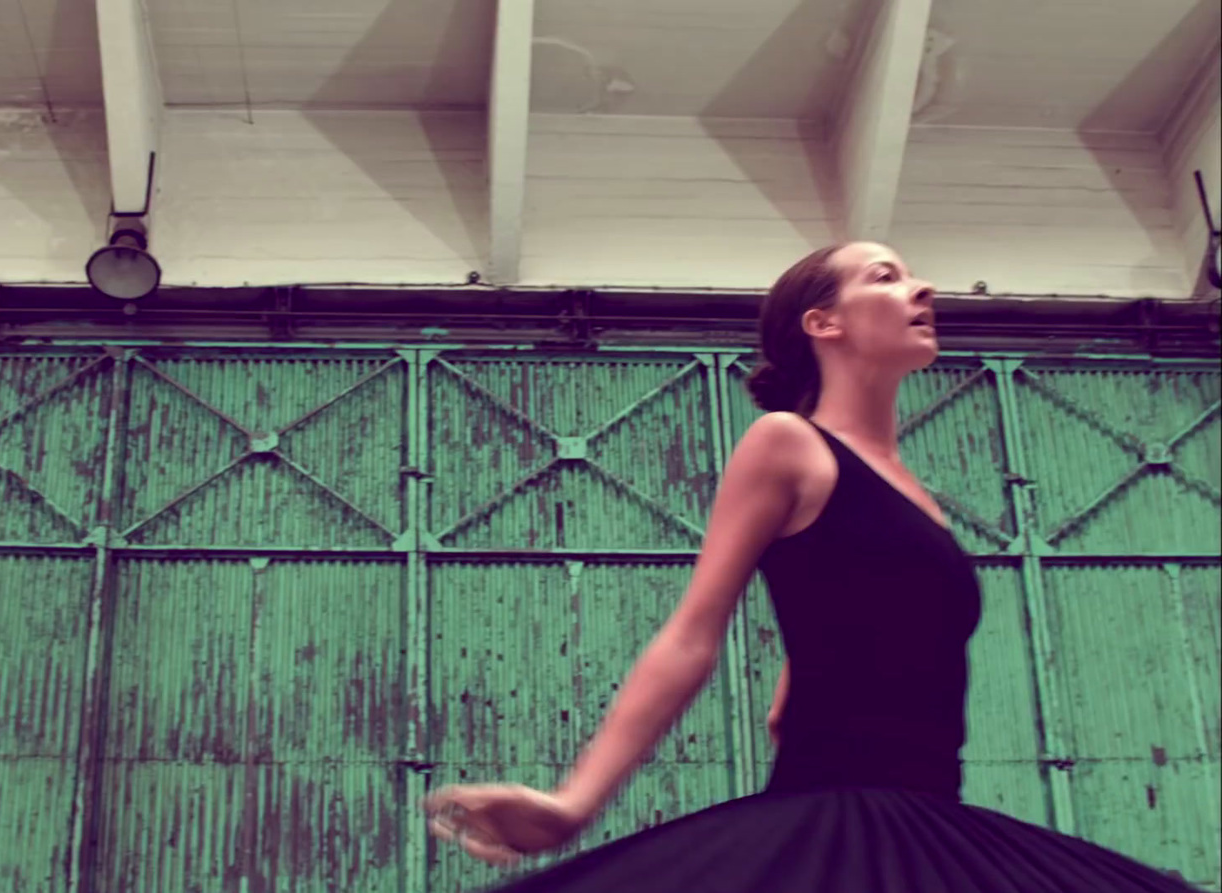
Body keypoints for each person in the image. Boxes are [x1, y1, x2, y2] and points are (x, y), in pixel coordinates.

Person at [421, 242, 1199, 892]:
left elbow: (818, 662)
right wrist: (574, 803)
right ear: (823, 322)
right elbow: (694, 632)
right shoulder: (788, 442)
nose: (922, 285)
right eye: (885, 276)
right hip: (836, 817)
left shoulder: (919, 497)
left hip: (933, 819)